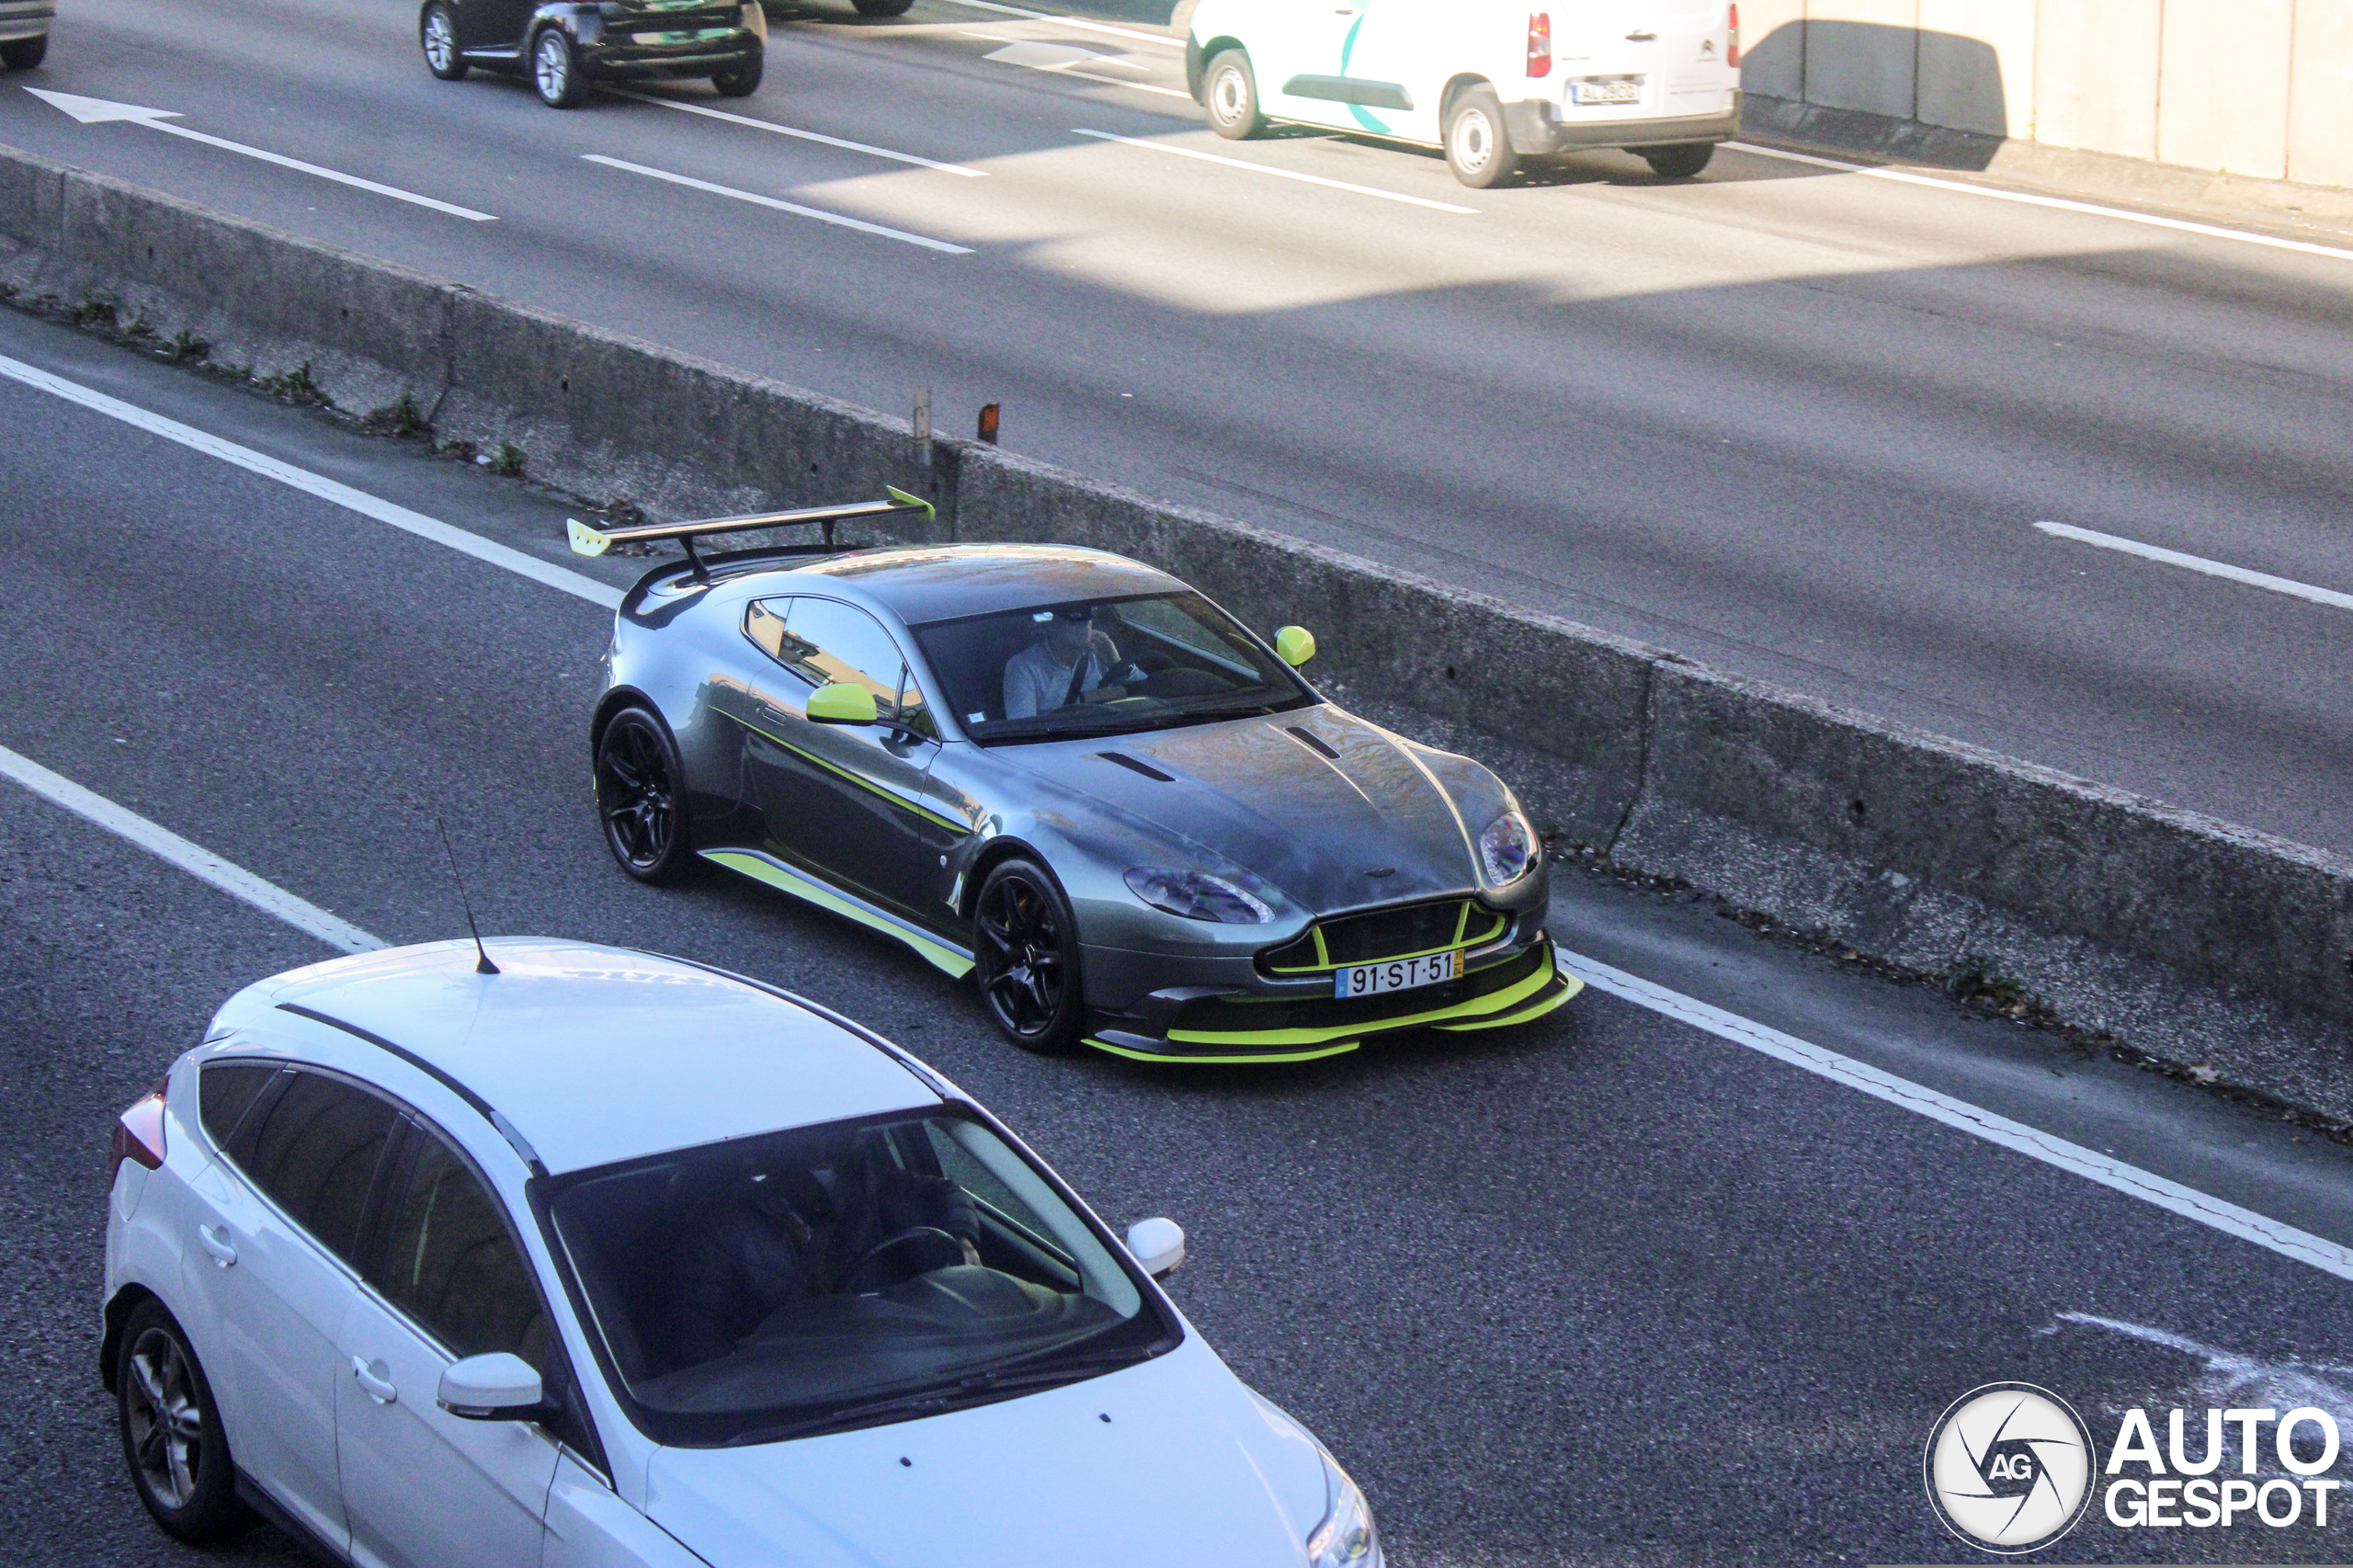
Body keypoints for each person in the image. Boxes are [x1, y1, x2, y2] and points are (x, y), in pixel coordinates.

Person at [1004, 606, 1121, 720]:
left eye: (1087, 621)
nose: (1084, 627)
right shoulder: (1023, 666)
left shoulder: (1101, 654)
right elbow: (1025, 727)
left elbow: (1139, 693)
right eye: (1074, 622)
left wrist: (1118, 665)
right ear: (1053, 626)